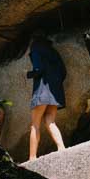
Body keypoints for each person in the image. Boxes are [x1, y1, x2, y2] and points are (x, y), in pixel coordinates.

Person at [27, 32, 66, 161]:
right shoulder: (53, 51)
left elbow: (38, 69)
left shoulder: (35, 48)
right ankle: (61, 148)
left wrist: (29, 74)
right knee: (50, 120)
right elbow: (63, 71)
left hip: (42, 91)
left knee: (35, 124)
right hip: (55, 91)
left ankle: (32, 157)